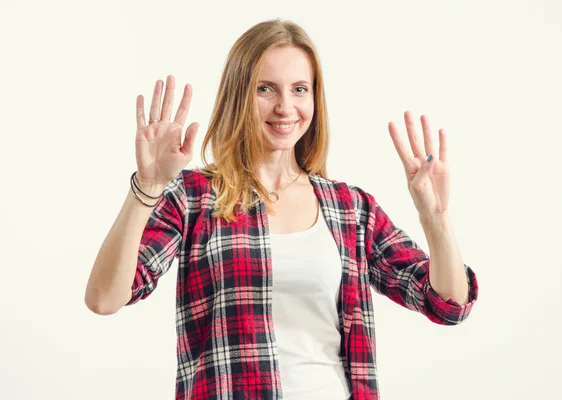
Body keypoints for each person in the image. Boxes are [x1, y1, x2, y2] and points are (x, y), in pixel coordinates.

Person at [85, 19, 479, 400]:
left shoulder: (351, 209)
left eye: (300, 89)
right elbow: (104, 298)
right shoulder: (193, 197)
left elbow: (448, 304)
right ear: (239, 95)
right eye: (266, 89)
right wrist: (148, 189)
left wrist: (437, 220)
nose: (285, 106)